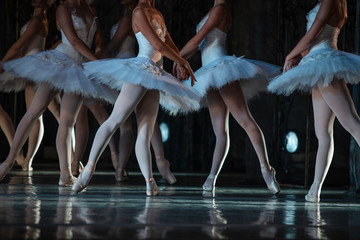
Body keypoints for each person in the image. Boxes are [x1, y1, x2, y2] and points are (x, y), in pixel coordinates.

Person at [73, 0, 200, 196]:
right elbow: (157, 44)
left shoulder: (156, 12)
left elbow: (168, 43)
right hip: (142, 69)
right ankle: (88, 170)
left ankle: (150, 182)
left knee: (145, 131)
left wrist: (180, 61)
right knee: (115, 120)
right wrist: (182, 61)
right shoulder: (139, 12)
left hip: (156, 73)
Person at [0, 0, 116, 186]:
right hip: (60, 62)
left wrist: (99, 52)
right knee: (35, 110)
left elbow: (98, 40)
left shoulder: (90, 9)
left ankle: (65, 173)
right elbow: (73, 40)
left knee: (68, 121)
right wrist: (96, 62)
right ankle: (8, 161)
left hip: (78, 68)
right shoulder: (63, 8)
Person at [176, 0, 281, 194]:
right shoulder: (214, 8)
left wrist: (177, 58)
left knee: (244, 119)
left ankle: (266, 170)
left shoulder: (221, 8)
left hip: (221, 67)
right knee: (220, 131)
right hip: (209, 71)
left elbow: (197, 40)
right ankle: (211, 178)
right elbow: (196, 44)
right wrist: (180, 60)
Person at [268, 0, 360, 202]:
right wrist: (298, 57)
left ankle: (314, 190)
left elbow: (312, 36)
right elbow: (315, 38)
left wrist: (289, 56)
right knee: (323, 133)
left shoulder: (332, 1)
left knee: (353, 124)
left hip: (324, 62)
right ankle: (314, 191)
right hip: (316, 63)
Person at [101, 0, 176, 184]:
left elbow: (114, 45)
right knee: (136, 121)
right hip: (128, 65)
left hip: (132, 65)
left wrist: (96, 60)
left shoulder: (133, 16)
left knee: (134, 121)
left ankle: (122, 167)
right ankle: (156, 164)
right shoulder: (137, 14)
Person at [0, 0, 61, 172]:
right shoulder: (38, 20)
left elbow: (19, 46)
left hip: (35, 67)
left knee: (50, 114)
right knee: (41, 114)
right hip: (30, 64)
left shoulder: (38, 20)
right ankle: (26, 161)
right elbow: (21, 49)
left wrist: (4, 63)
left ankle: (26, 160)